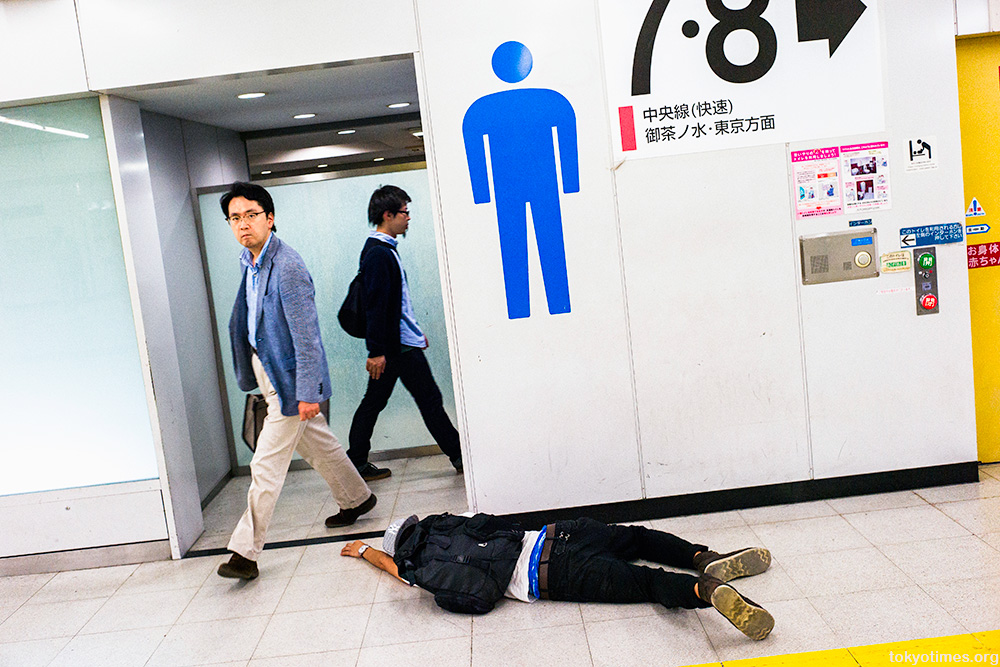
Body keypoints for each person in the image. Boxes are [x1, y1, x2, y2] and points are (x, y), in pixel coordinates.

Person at [218, 182, 375, 580]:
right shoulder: (248, 262)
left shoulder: (286, 266)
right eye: (235, 218)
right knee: (317, 442)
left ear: (270, 218)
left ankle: (245, 553)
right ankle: (357, 498)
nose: (243, 225)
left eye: (251, 215)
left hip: (290, 383)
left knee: (265, 465)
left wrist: (307, 393)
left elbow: (307, 336)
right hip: (268, 372)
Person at [341, 513, 775, 641]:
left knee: (644, 583)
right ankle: (703, 556)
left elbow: (396, 570)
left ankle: (705, 591)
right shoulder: (443, 524)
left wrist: (364, 551)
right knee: (639, 539)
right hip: (558, 534)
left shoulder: (418, 568)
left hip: (553, 575)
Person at [346, 185, 463, 481]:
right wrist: (376, 352)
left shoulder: (384, 250)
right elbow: (376, 306)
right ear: (388, 215)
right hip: (396, 349)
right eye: (404, 212)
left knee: (375, 403)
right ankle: (460, 456)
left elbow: (396, 304)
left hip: (400, 344)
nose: (408, 218)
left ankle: (355, 463)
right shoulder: (378, 254)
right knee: (428, 401)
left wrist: (414, 332)